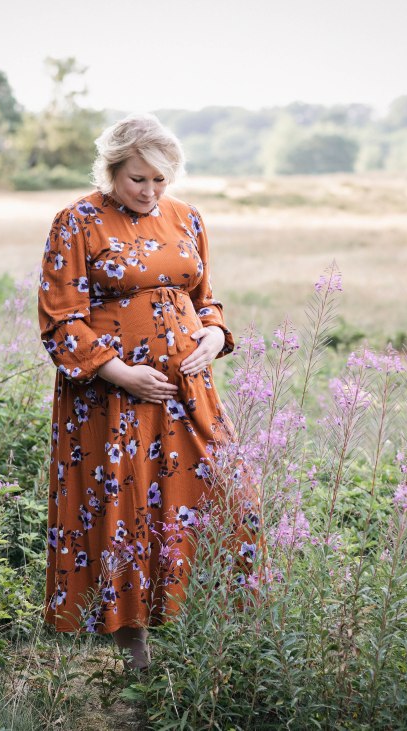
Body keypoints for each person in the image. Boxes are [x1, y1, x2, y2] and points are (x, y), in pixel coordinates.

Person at [38, 113, 246, 672]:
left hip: (188, 392)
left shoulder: (188, 219)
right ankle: (133, 648)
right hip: (110, 398)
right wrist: (117, 371)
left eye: (161, 180)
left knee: (229, 494)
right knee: (125, 506)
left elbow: (206, 298)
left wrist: (213, 333)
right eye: (138, 179)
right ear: (111, 172)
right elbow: (61, 319)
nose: (151, 191)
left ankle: (213, 629)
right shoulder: (77, 221)